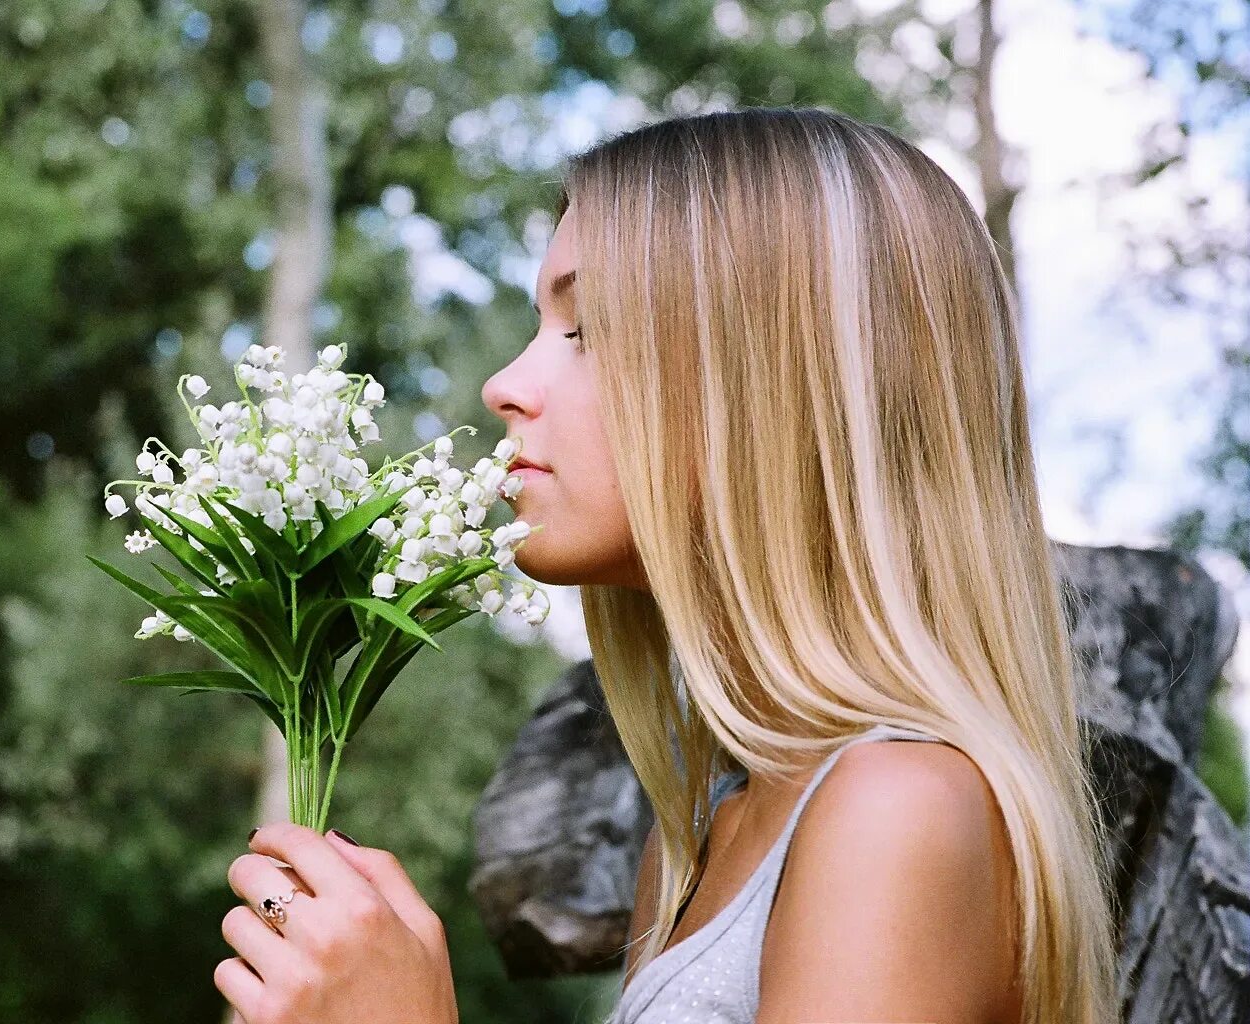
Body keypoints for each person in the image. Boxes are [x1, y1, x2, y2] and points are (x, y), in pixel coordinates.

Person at [213, 107, 1122, 1024]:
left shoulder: (896, 815)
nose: (504, 386)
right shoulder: (700, 842)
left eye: (589, 326)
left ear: (773, 382)